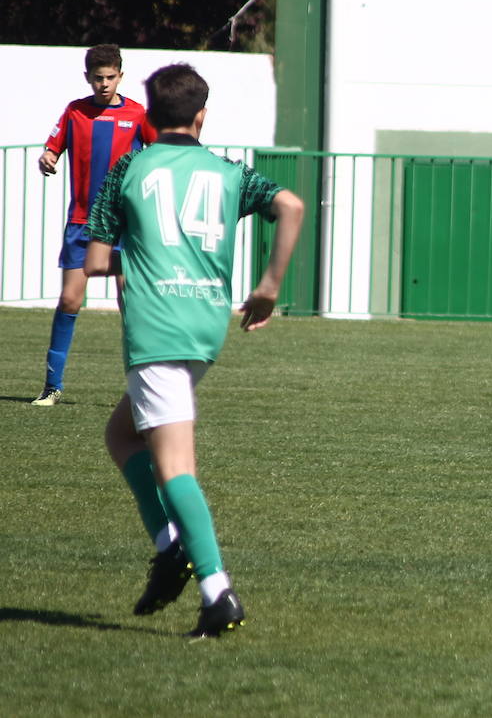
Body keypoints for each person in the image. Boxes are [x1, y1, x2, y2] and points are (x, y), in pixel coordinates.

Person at [84, 63, 304, 639]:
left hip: (157, 327)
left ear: (148, 119)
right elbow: (293, 206)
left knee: (174, 466)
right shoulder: (228, 172)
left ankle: (215, 590)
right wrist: (269, 286)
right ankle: (169, 545)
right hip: (206, 326)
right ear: (202, 116)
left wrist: (135, 257)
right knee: (121, 433)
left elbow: (98, 261)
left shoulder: (131, 166)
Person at [32, 44, 158, 406]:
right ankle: (51, 387)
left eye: (110, 77)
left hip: (124, 225)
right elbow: (52, 147)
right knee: (70, 299)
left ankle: (143, 390)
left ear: (121, 74)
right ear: (88, 77)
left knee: (131, 304)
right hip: (82, 223)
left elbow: (161, 152)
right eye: (98, 78)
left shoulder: (137, 114)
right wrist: (48, 157)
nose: (104, 84)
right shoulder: (75, 112)